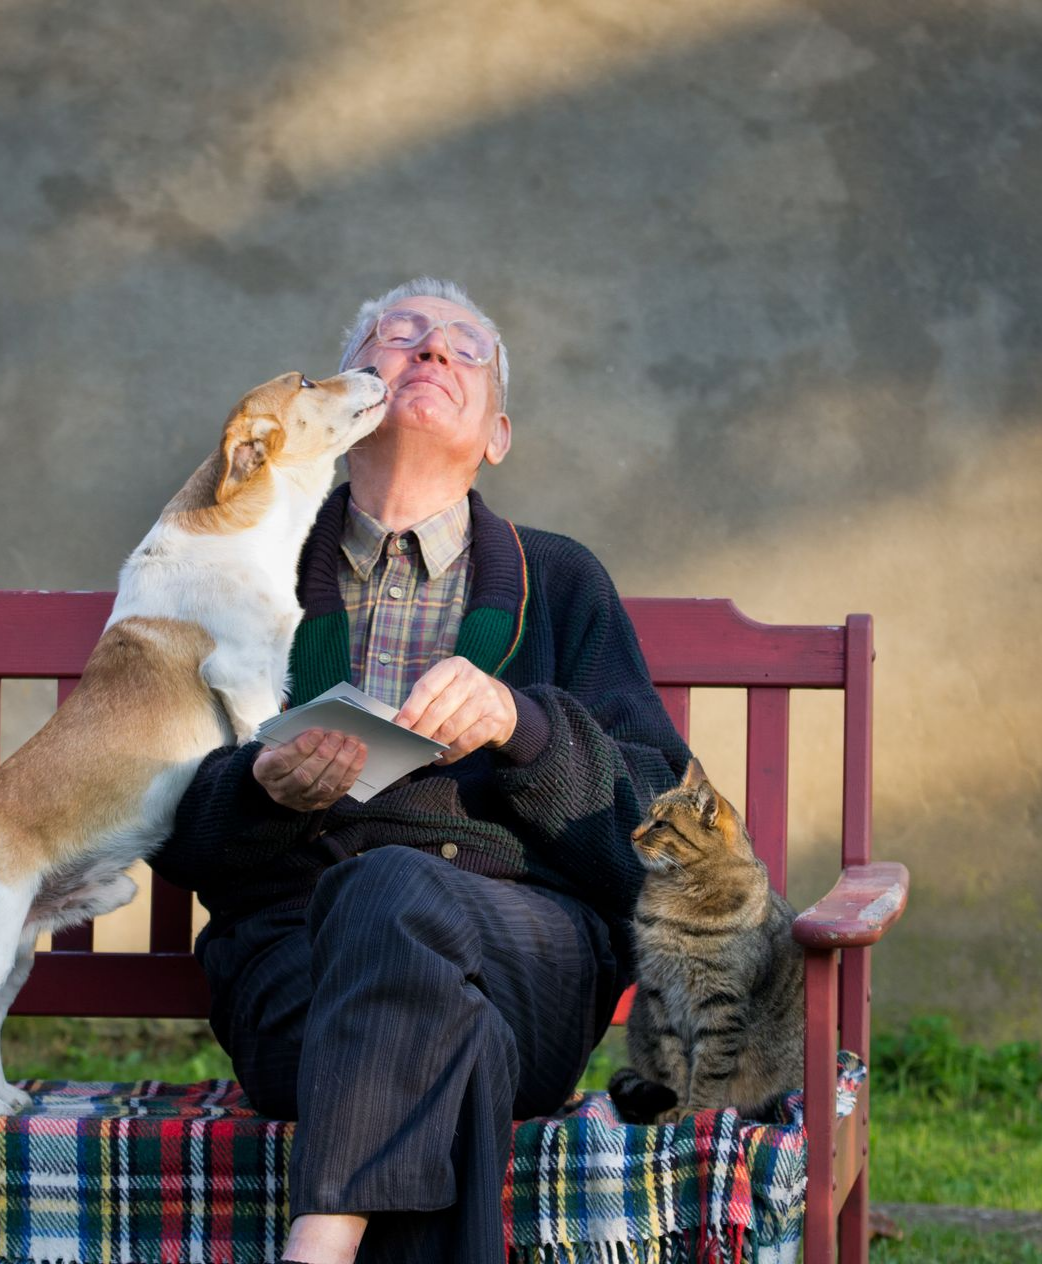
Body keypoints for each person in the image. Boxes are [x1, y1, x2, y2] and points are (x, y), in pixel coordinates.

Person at [151, 278, 690, 1264]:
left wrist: (523, 726)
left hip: (525, 954)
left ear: (496, 434)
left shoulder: (561, 583)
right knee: (454, 1041)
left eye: (463, 348)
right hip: (295, 971)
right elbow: (169, 827)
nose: (430, 351)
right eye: (397, 338)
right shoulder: (240, 579)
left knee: (399, 894)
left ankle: (317, 1243)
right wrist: (262, 789)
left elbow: (663, 838)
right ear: (346, 401)